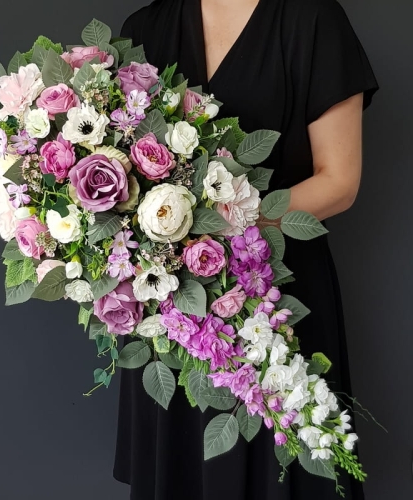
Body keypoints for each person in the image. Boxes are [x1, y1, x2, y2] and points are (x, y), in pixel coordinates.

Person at [113, 0, 379, 498]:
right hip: (174, 311)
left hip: (276, 294)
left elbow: (339, 182)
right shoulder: (144, 28)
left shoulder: (312, 19)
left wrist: (212, 225)